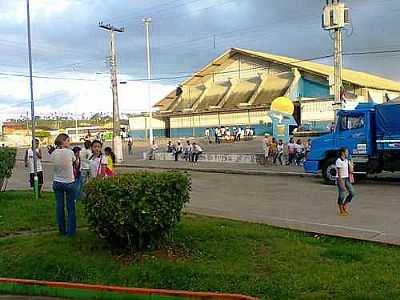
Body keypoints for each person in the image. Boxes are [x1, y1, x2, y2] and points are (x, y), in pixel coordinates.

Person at [48, 133, 76, 237]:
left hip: (57, 182)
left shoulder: (54, 153)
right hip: (69, 182)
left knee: (59, 207)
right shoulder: (70, 152)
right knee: (70, 208)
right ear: (63, 141)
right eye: (68, 140)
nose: (69, 143)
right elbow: (75, 162)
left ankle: (61, 230)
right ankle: (71, 232)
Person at [336, 148, 355, 215]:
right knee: (342, 194)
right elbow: (339, 173)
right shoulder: (338, 160)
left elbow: (351, 171)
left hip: (347, 178)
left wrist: (351, 163)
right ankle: (341, 209)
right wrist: (341, 183)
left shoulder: (347, 160)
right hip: (341, 178)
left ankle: (345, 204)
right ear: (343, 153)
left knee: (352, 192)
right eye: (347, 152)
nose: (348, 153)